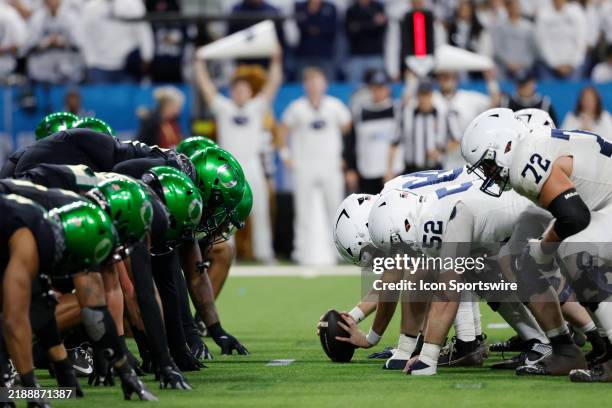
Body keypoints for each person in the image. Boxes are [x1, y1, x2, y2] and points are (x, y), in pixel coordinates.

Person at [461, 108, 612, 380]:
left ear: (505, 145)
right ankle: (565, 349)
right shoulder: (532, 147)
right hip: (601, 203)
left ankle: (607, 344)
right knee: (518, 257)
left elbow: (575, 217)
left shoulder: (524, 160)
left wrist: (545, 248)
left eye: (488, 164)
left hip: (604, 204)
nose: (488, 175)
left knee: (575, 250)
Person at [194, 50, 282, 264]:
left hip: (252, 164)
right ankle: (227, 255)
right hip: (228, 168)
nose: (241, 94)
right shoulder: (224, 108)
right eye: (237, 90)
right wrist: (199, 63)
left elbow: (273, 85)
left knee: (260, 209)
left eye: (244, 90)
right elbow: (206, 88)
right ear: (232, 92)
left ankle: (264, 253)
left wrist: (276, 59)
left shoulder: (256, 107)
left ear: (250, 92)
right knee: (225, 215)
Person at [278, 67, 351, 265]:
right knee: (302, 211)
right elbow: (282, 128)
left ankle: (341, 251)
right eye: (311, 82)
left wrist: (346, 156)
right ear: (305, 85)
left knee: (336, 209)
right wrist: (285, 154)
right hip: (304, 165)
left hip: (330, 164)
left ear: (325, 84)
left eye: (318, 82)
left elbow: (348, 128)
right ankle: (300, 252)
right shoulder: (297, 107)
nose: (314, 86)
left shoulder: (335, 106)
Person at [345, 69, 399, 194]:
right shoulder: (359, 111)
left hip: (392, 174)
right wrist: (351, 168)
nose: (378, 91)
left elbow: (398, 142)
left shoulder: (398, 110)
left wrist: (391, 170)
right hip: (367, 173)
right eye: (374, 87)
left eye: (381, 87)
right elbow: (351, 142)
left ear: (388, 88)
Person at [77, 0, 154, 83]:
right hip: (99, 67)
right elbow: (83, 36)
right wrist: (90, 61)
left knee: (131, 94)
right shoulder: (90, 8)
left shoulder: (133, 4)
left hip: (128, 66)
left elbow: (143, 31)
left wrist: (147, 57)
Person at [388, 80, 446, 179]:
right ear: (417, 95)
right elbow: (394, 143)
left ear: (431, 95)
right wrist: (389, 170)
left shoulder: (441, 115)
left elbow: (455, 140)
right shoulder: (406, 115)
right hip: (411, 170)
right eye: (421, 95)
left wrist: (440, 151)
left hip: (435, 169)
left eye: (426, 95)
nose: (424, 99)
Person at [24, 0, 84, 84]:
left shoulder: (71, 17)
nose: (51, 1)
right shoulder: (37, 17)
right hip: (41, 70)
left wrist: (61, 42)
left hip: (67, 69)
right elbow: (27, 46)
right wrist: (46, 42)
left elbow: (79, 43)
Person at [535, 0, 588, 80]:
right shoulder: (543, 13)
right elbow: (542, 42)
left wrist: (572, 64)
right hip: (548, 65)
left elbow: (581, 40)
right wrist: (554, 64)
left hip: (574, 65)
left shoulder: (576, 12)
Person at [492, 0, 537, 80]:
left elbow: (533, 49)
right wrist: (508, 63)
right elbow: (497, 49)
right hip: (505, 67)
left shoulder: (529, 27)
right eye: (513, 7)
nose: (515, 9)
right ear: (507, 8)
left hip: (524, 67)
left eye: (517, 7)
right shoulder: (500, 27)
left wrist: (524, 64)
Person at [344, 0, 386, 83]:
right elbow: (349, 31)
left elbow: (382, 29)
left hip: (375, 54)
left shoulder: (378, 7)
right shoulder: (352, 9)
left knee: (377, 85)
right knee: (354, 87)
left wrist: (359, 26)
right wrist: (372, 24)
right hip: (356, 55)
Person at [294, 0, 338, 80]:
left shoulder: (330, 7)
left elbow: (332, 28)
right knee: (301, 82)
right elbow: (301, 25)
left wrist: (317, 29)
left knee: (327, 81)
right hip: (305, 52)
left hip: (324, 52)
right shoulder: (300, 6)